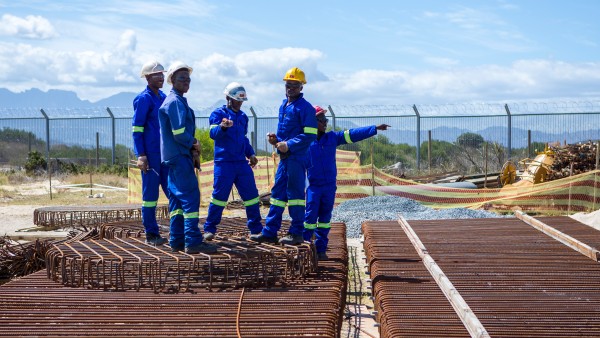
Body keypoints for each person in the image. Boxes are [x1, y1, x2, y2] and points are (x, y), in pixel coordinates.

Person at [304, 106, 389, 260]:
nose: (325, 122)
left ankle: (321, 250)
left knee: (324, 219)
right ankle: (305, 249)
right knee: (309, 218)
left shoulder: (332, 138)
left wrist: (373, 128)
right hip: (314, 187)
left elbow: (352, 134)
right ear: (312, 121)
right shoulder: (305, 141)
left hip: (329, 186)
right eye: (321, 119)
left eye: (326, 120)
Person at [250, 67, 318, 245]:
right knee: (277, 196)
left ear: (301, 87)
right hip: (285, 158)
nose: (291, 87)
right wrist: (276, 140)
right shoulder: (284, 105)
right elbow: (287, 134)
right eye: (288, 84)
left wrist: (288, 145)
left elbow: (309, 135)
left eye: (295, 85)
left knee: (295, 197)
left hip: (297, 158)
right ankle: (270, 232)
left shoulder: (305, 108)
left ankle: (296, 233)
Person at [158, 61, 217, 254]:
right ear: (172, 80)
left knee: (176, 200)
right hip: (179, 157)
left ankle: (176, 240)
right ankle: (192, 241)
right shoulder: (175, 102)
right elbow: (179, 133)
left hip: (173, 157)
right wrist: (193, 142)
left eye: (188, 79)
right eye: (182, 78)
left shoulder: (176, 100)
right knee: (191, 197)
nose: (186, 82)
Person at [202, 82, 263, 240]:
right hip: (224, 164)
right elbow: (213, 134)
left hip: (241, 164)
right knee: (219, 197)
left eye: (242, 101)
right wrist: (222, 127)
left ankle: (256, 229)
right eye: (237, 100)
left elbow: (243, 139)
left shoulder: (242, 117)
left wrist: (251, 154)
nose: (240, 103)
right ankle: (209, 229)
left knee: (252, 197)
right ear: (229, 98)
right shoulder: (218, 114)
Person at [132, 61, 169, 246]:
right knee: (150, 197)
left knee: (173, 192)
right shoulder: (144, 99)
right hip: (151, 155)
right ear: (147, 77)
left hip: (165, 155)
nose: (161, 77)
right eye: (156, 74)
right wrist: (141, 155)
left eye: (162, 74)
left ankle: (180, 229)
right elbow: (137, 129)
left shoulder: (162, 96)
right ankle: (151, 234)